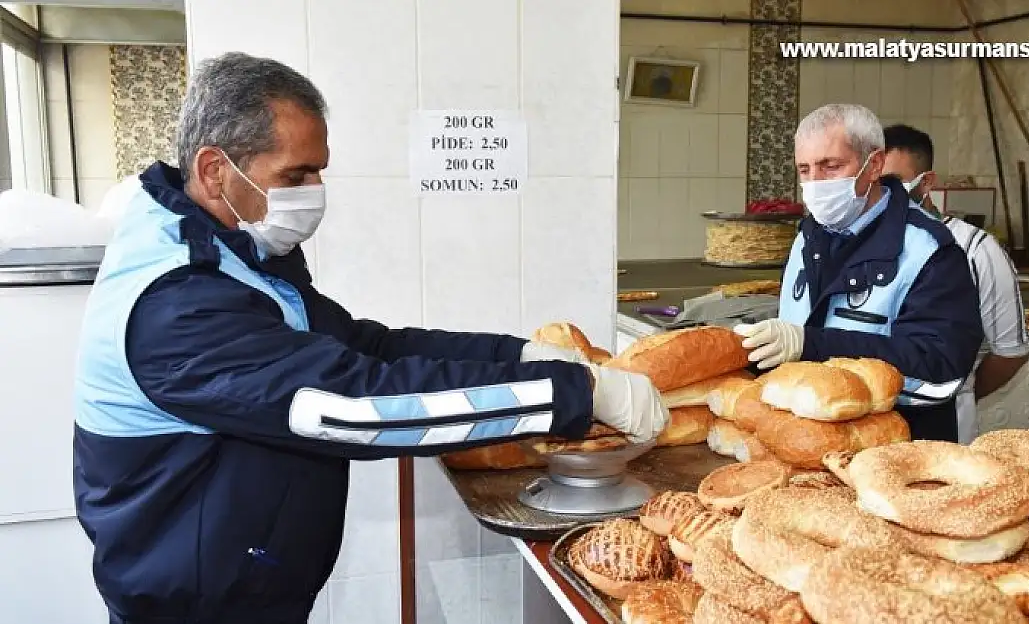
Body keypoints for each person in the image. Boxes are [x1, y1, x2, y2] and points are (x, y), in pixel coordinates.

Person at [72, 52, 668, 624]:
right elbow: (355, 404)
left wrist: (518, 353)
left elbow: (367, 347)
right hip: (195, 605)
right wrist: (575, 393)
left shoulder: (235, 254)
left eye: (318, 172)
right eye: (295, 174)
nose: (312, 192)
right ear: (213, 169)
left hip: (239, 586)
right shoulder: (177, 304)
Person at [734, 103, 984, 442]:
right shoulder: (807, 237)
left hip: (900, 446)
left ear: (874, 165)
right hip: (809, 438)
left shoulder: (928, 250)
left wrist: (811, 344)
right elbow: (803, 321)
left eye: (831, 166)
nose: (815, 184)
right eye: (804, 170)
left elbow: (940, 362)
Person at [882, 123, 1029, 444]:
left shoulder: (976, 249)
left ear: (926, 183)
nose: (883, 194)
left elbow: (1010, 352)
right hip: (873, 422)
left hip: (944, 427)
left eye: (894, 182)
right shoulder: (867, 245)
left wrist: (959, 391)